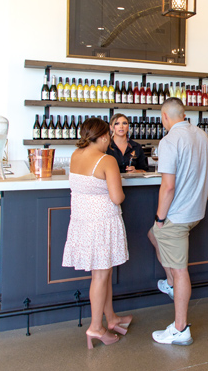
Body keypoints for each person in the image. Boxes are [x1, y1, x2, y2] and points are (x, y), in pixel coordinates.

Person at [148, 97, 208, 345]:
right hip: (196, 211)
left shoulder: (169, 141)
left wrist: (160, 217)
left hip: (176, 215)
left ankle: (180, 329)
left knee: (180, 269)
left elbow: (168, 187)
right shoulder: (200, 134)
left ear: (165, 116)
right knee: (153, 236)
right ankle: (171, 285)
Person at [62, 118, 130, 349]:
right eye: (108, 136)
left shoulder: (75, 155)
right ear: (102, 137)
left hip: (82, 222)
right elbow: (117, 197)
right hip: (102, 223)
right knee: (101, 276)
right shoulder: (107, 160)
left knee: (103, 272)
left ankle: (111, 318)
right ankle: (95, 327)